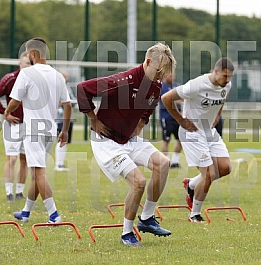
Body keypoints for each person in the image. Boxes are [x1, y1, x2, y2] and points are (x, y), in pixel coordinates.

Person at [77, 43, 176, 246]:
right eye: (159, 71)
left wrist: (140, 124)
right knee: (139, 182)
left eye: (163, 73)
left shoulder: (156, 86)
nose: (160, 77)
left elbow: (149, 107)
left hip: (129, 140)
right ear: (148, 62)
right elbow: (82, 89)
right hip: (106, 142)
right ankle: (126, 234)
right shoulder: (122, 81)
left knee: (163, 163)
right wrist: (93, 119)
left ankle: (147, 219)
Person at [4, 37, 71, 223]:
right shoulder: (58, 76)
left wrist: (6, 112)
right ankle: (26, 212)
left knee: (39, 172)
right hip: (51, 131)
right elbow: (67, 105)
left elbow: (15, 101)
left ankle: (54, 214)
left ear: (32, 54)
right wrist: (64, 131)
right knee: (36, 172)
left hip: (33, 131)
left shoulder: (26, 73)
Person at [161, 57, 234, 223]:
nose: (227, 80)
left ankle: (191, 184)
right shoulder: (196, 85)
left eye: (230, 77)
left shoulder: (226, 85)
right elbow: (166, 98)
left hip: (210, 131)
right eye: (224, 76)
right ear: (215, 72)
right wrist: (181, 120)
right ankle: (194, 214)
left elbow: (222, 100)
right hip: (192, 132)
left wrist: (218, 115)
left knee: (225, 167)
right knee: (209, 173)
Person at [0, 52, 30, 202]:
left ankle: (19, 192)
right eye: (26, 63)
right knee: (12, 159)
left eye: (30, 64)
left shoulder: (35, 80)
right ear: (20, 63)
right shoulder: (11, 78)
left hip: (29, 126)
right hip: (13, 125)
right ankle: (9, 192)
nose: (28, 66)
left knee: (25, 160)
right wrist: (4, 113)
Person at [159, 73, 182, 168]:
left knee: (180, 140)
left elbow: (182, 98)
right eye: (170, 75)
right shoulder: (161, 87)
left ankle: (175, 162)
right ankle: (166, 162)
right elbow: (166, 100)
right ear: (165, 76)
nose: (173, 77)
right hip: (167, 118)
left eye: (173, 75)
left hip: (177, 118)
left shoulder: (176, 86)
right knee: (166, 140)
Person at [54, 72, 76, 172]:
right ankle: (58, 164)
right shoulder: (56, 89)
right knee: (61, 140)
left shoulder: (68, 88)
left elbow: (72, 102)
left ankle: (61, 163)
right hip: (60, 118)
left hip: (69, 118)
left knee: (65, 141)